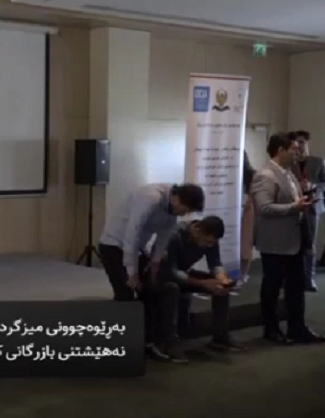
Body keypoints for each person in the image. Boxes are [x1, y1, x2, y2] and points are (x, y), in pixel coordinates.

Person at [98, 183, 205, 360]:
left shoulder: (171, 209)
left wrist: (155, 264)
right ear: (176, 199)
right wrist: (132, 271)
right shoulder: (150, 198)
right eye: (184, 210)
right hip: (113, 245)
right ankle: (120, 344)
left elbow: (163, 237)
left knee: (150, 291)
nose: (183, 215)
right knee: (126, 293)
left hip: (137, 248)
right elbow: (132, 233)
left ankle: (148, 343)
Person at [251, 132, 324, 344]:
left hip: (294, 241)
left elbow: (292, 200)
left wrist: (304, 200)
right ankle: (271, 330)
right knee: (272, 288)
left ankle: (297, 328)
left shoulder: (289, 173)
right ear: (280, 151)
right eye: (294, 149)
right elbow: (264, 208)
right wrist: (294, 207)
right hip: (275, 243)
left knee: (296, 288)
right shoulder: (265, 175)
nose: (298, 153)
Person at [152, 216, 246, 362]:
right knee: (172, 288)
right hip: (161, 277)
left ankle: (220, 337)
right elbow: (170, 271)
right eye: (207, 242)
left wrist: (222, 278)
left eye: (212, 243)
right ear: (197, 231)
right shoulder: (174, 236)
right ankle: (170, 342)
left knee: (220, 289)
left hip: (183, 273)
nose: (209, 245)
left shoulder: (210, 238)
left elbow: (215, 262)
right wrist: (202, 283)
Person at [292, 130, 325, 292]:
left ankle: (309, 278)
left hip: (313, 207)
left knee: (309, 243)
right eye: (296, 143)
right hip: (293, 207)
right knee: (293, 244)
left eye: (301, 142)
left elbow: (324, 183)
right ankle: (292, 278)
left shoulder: (318, 162)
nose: (299, 146)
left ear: (307, 143)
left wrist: (313, 186)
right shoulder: (290, 162)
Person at [237, 150, 256, 291]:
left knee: (246, 243)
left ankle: (243, 274)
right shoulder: (230, 172)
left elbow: (256, 194)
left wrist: (249, 201)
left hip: (248, 211)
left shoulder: (252, 175)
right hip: (233, 211)